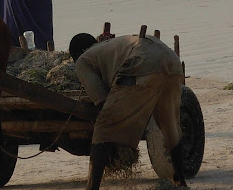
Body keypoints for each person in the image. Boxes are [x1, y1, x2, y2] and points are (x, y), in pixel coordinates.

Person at [70, 32, 187, 190]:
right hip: (172, 63)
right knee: (171, 126)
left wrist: (114, 144)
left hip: (143, 65)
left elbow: (103, 102)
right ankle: (180, 181)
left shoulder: (83, 61)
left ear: (76, 55)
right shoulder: (110, 47)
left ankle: (92, 188)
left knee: (103, 127)